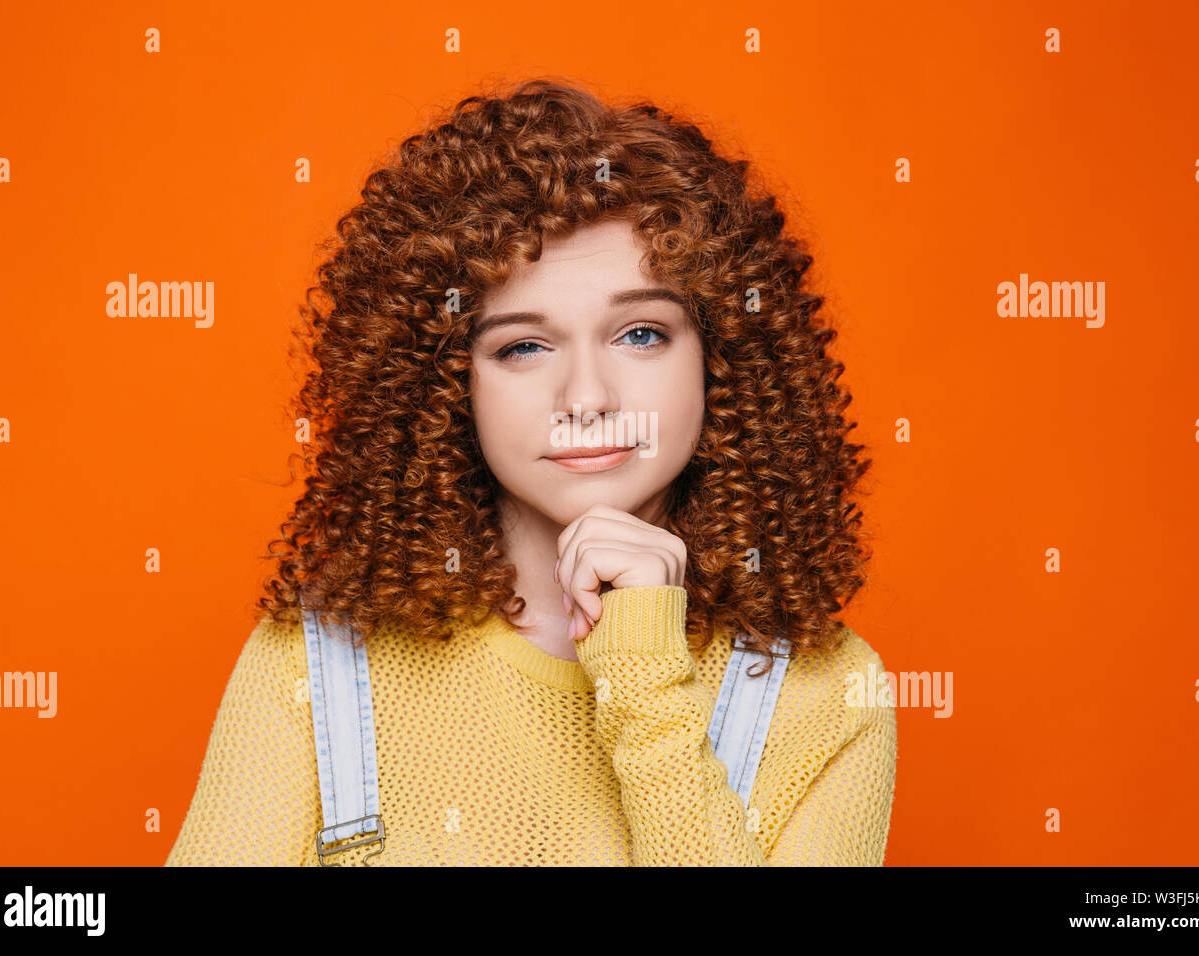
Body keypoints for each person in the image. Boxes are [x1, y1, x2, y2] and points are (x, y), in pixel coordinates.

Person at [165, 76, 896, 866]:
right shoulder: (321, 663)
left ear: (722, 357)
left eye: (642, 334)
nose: (586, 398)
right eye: (523, 346)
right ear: (447, 383)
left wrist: (646, 676)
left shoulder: (826, 696)